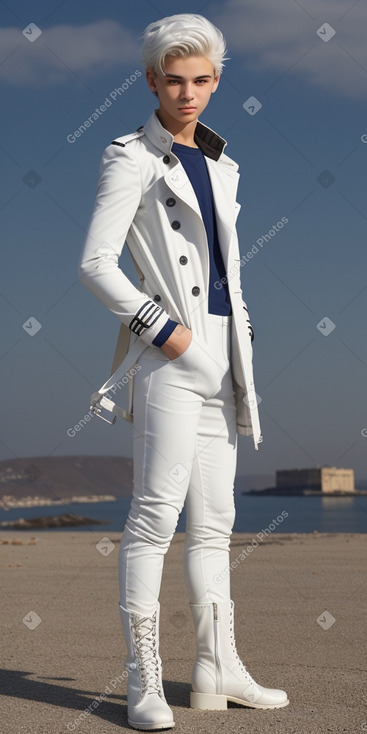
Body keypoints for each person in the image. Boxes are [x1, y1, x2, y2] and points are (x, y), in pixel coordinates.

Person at [78, 13, 289, 731]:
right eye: (173, 80)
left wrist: (242, 337)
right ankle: (142, 684)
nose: (187, 93)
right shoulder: (128, 155)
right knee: (151, 522)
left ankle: (215, 670)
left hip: (228, 361)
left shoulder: (224, 165)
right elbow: (95, 265)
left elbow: (226, 272)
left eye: (201, 80)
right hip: (171, 360)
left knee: (216, 529)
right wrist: (167, 334)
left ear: (217, 81)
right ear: (150, 80)